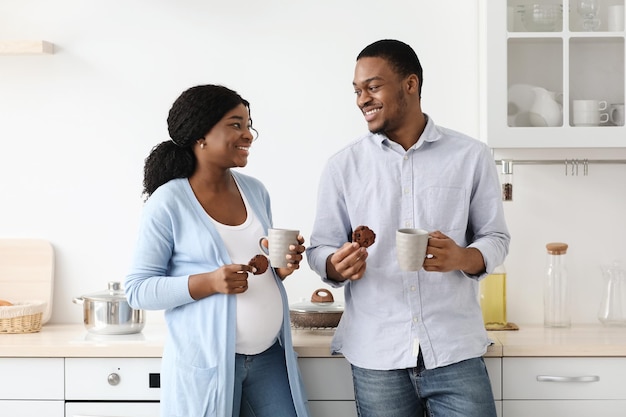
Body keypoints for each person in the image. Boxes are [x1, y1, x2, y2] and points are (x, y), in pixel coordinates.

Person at [306, 39, 510, 417]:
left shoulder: (470, 155)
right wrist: (335, 265)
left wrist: (464, 257)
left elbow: (496, 237)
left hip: (454, 349)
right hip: (377, 355)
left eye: (373, 86)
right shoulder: (342, 166)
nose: (361, 99)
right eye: (357, 90)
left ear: (410, 84)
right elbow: (319, 249)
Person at [125, 84, 310, 417]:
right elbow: (138, 290)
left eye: (249, 125)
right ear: (202, 136)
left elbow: (259, 267)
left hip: (270, 356)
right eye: (236, 124)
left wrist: (280, 268)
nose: (248, 135)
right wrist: (210, 282)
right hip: (208, 363)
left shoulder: (255, 191)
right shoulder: (168, 202)